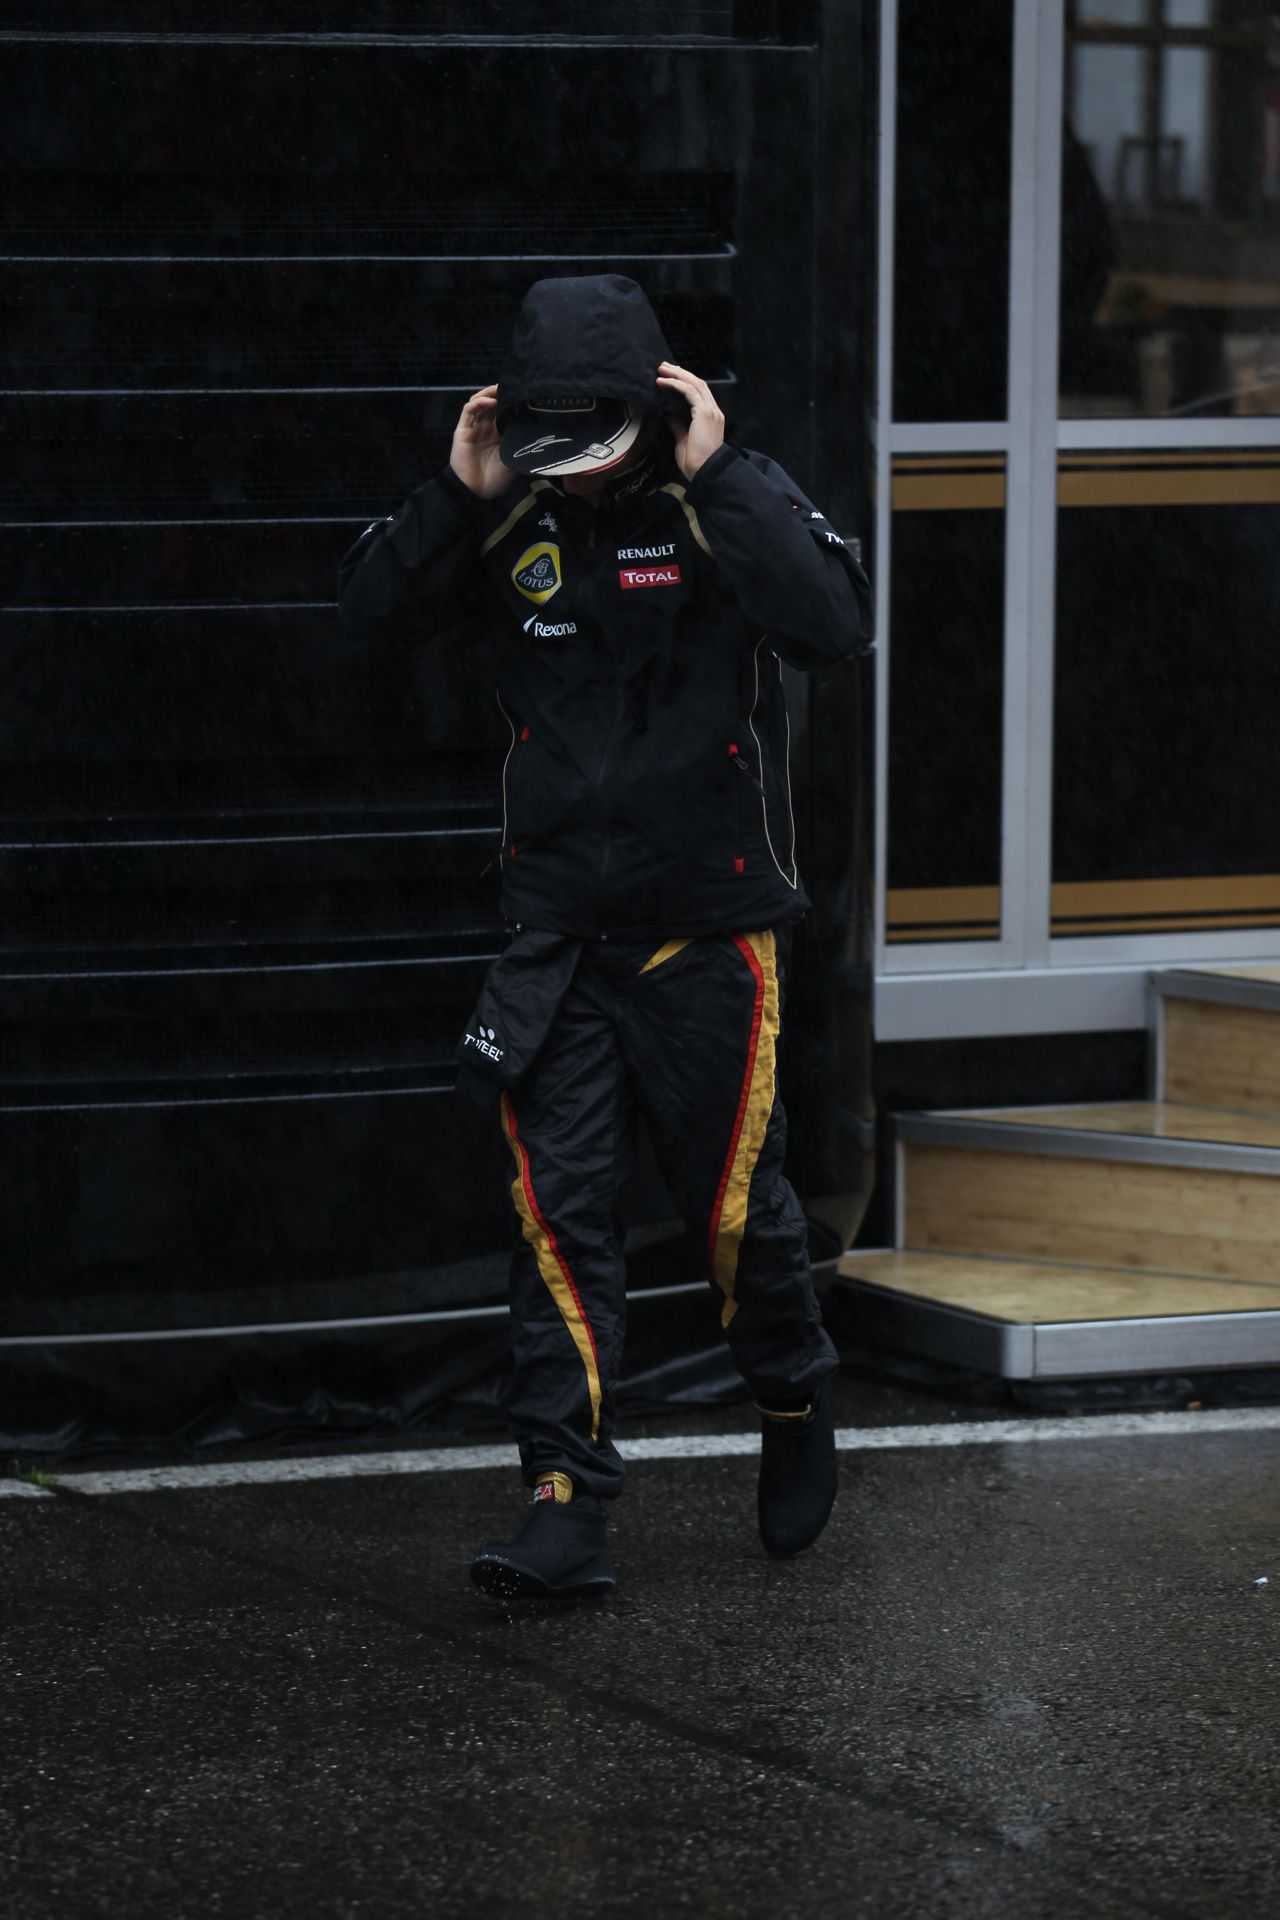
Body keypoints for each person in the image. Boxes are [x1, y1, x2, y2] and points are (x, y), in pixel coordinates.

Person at [339, 274, 873, 1600]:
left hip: (713, 931)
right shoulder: (506, 505)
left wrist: (726, 466)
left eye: (595, 448)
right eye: (546, 450)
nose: (571, 477)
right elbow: (361, 621)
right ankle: (563, 1503)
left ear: (656, 409)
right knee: (556, 1224)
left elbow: (837, 623)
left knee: (740, 1217)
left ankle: (796, 1401)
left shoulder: (719, 497)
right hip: (556, 942)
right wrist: (457, 493)